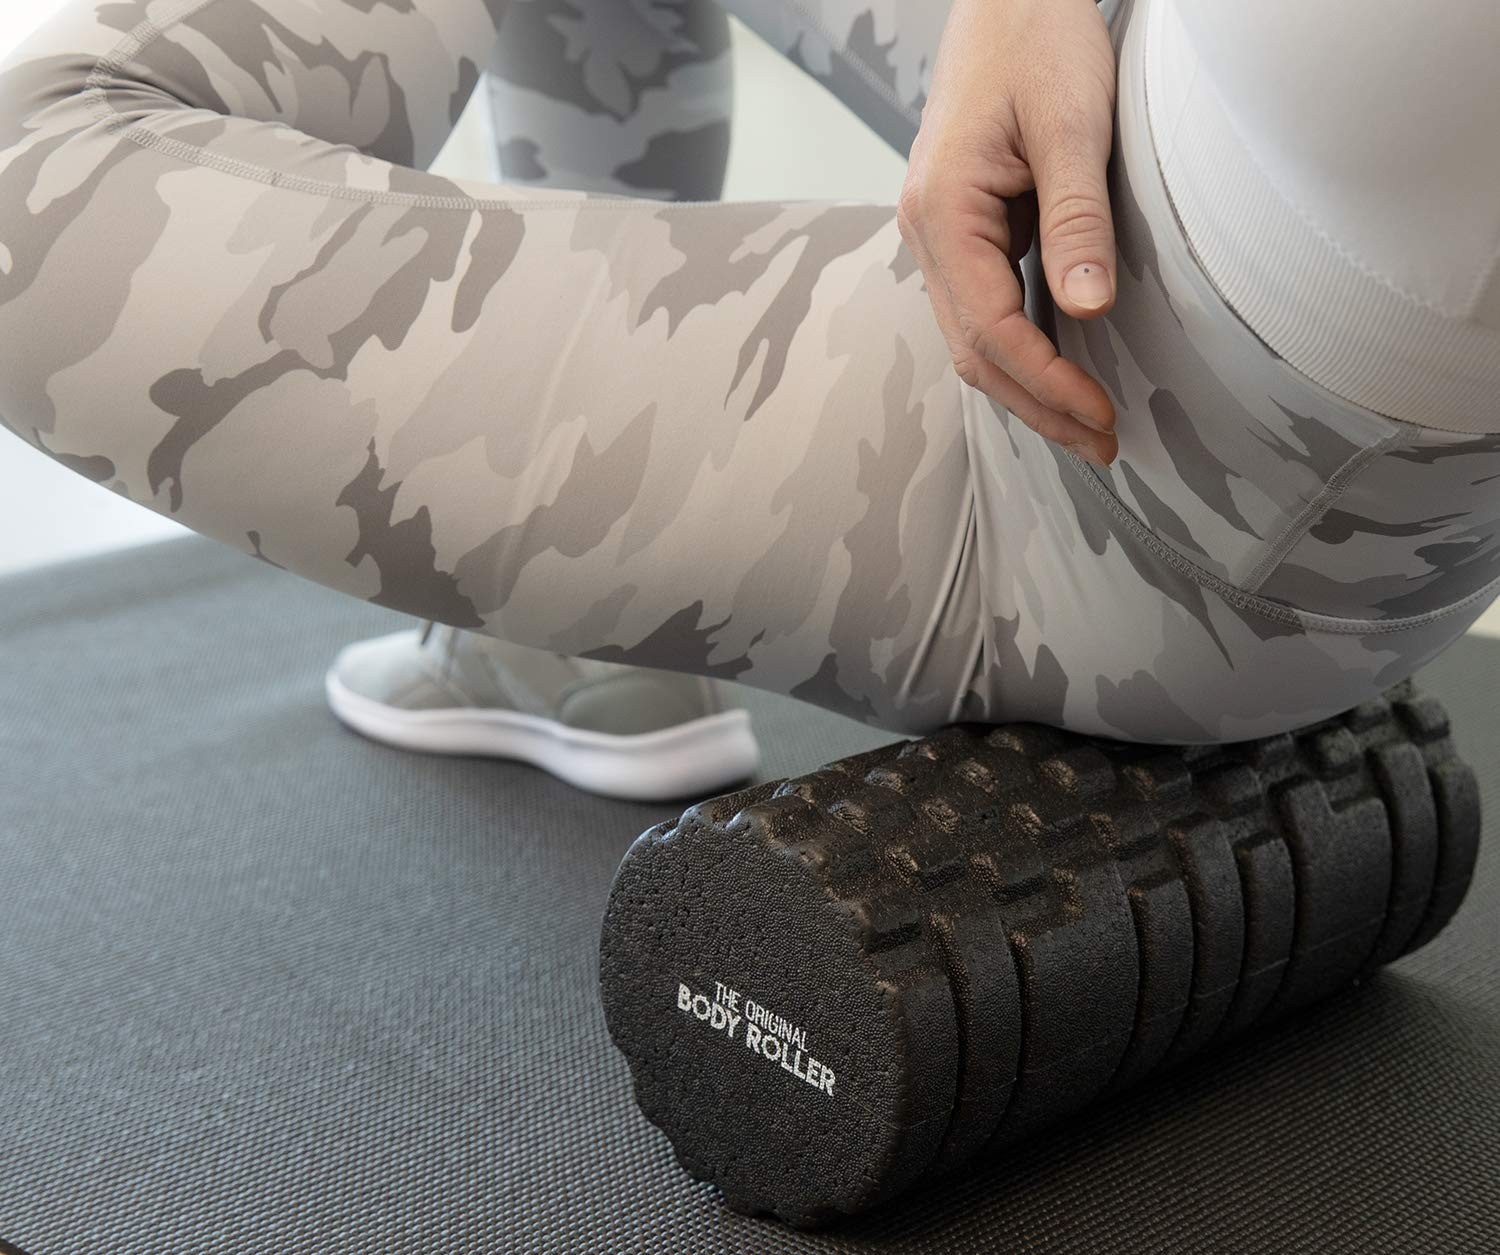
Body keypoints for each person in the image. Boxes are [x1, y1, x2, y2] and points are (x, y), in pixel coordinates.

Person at [2, 0, 1497, 802]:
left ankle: (573, 618)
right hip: (1188, 155)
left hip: (1117, 472)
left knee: (28, 171)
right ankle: (570, 645)